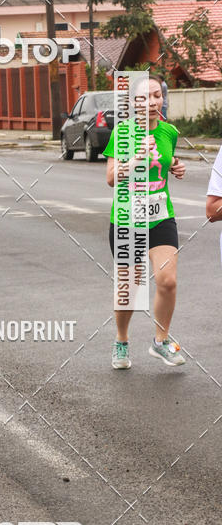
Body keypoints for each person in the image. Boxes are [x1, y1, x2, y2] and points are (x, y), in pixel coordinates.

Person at [104, 74, 186, 369]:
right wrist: (134, 161)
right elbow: (111, 178)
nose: (151, 102)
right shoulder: (122, 133)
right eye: (144, 97)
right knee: (131, 288)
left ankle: (160, 343)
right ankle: (121, 341)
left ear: (162, 98)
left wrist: (176, 167)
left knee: (168, 281)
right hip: (128, 217)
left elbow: (165, 163)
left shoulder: (170, 132)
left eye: (156, 95)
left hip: (160, 215)